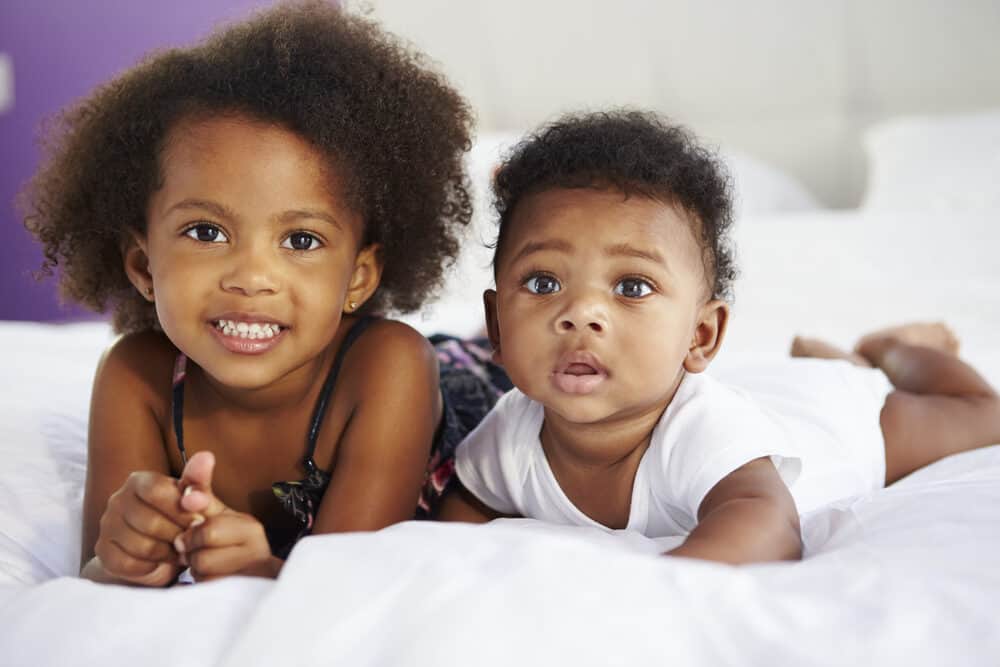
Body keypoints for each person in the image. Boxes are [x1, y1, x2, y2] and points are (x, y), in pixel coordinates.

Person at [22, 1, 510, 586]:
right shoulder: (137, 377)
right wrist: (124, 552)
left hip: (460, 386)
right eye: (207, 232)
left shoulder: (391, 366)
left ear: (358, 277)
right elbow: (102, 572)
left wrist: (259, 571)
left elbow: (345, 583)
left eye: (301, 239)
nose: (251, 277)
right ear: (142, 265)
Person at [438, 111, 1000, 564]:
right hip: (764, 394)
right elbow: (462, 511)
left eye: (632, 286)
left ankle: (890, 351)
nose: (582, 313)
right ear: (496, 329)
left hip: (832, 419)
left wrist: (662, 587)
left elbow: (765, 522)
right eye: (543, 282)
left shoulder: (698, 431)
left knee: (981, 414)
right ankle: (846, 357)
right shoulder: (510, 433)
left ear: (701, 335)